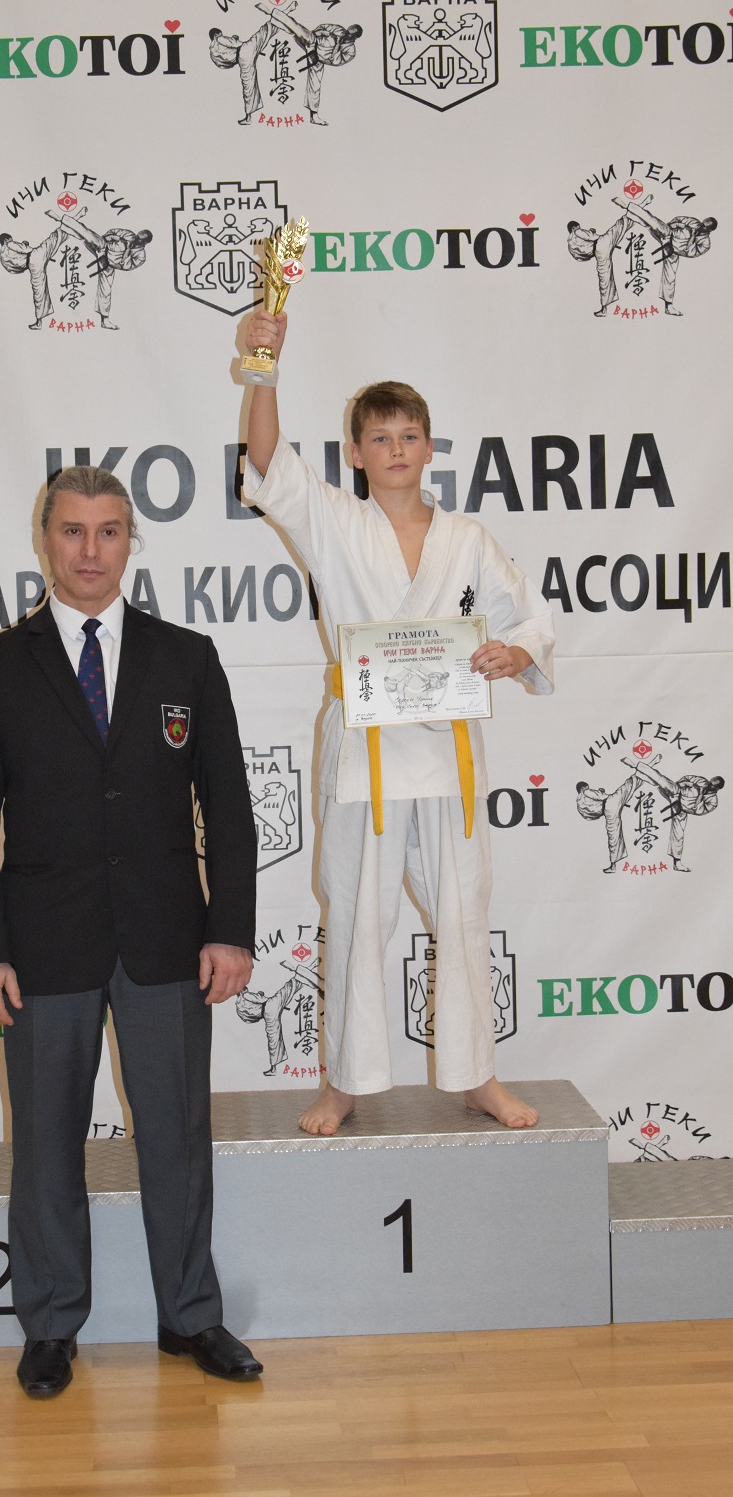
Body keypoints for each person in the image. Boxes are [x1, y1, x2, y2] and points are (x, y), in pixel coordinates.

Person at [0, 465, 262, 1397]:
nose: (91, 550)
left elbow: (230, 809)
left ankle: (190, 1316)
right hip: (41, 948)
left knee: (178, 1138)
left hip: (168, 940)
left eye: (110, 531)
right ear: (45, 539)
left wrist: (232, 929)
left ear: (131, 542)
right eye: (74, 531)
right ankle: (50, 1326)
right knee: (46, 1144)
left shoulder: (187, 657)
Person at [240, 308, 555, 1137]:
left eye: (410, 435)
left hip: (448, 752)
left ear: (429, 446)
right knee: (354, 914)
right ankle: (344, 1083)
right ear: (356, 453)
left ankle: (477, 1075)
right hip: (366, 752)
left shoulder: (467, 538)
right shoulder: (336, 523)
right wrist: (264, 367)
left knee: (463, 913)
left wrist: (514, 653)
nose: (396, 449)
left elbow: (528, 620)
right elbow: (268, 463)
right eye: (379, 438)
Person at [611, 193, 716, 316]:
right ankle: (626, 206)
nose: (701, 226)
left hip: (672, 251)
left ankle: (669, 307)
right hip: (668, 233)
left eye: (704, 226)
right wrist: (675, 225)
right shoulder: (694, 222)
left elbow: (689, 252)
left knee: (670, 275)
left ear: (709, 230)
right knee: (652, 221)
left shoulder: (705, 243)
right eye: (702, 223)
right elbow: (678, 219)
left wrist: (692, 237)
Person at [262, 7, 362, 125]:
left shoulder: (350, 51)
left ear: (354, 38)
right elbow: (322, 27)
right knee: (297, 29)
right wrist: (322, 33)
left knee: (315, 84)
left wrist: (337, 45)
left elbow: (333, 61)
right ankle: (271, 12)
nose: (345, 33)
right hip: (313, 41)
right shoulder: (340, 29)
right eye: (347, 30)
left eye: (349, 34)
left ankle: (314, 116)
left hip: (318, 59)